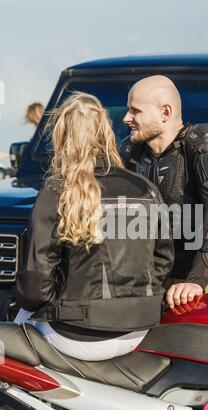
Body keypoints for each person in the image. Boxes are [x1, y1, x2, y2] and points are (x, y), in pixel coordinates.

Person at [15, 92, 174, 361]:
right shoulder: (145, 188)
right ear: (106, 132)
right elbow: (163, 259)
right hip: (139, 328)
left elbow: (36, 287)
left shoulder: (57, 190)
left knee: (16, 324)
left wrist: (35, 300)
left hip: (79, 332)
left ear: (61, 137)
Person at [119, 75, 208, 309]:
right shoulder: (128, 152)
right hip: (146, 283)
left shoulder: (201, 144)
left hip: (197, 281)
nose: (127, 118)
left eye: (135, 111)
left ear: (165, 112)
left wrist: (196, 281)